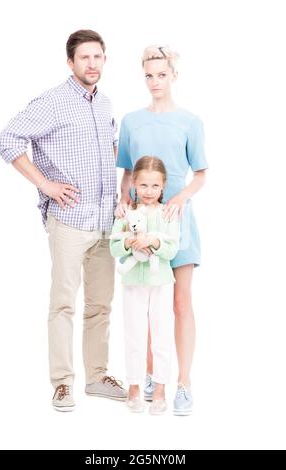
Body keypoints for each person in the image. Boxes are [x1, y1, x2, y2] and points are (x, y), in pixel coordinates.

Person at [0, 29, 127, 412]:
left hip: (106, 221)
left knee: (101, 305)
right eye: (84, 57)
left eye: (97, 57)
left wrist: (123, 192)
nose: (91, 64)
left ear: (104, 60)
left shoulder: (105, 104)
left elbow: (113, 145)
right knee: (63, 304)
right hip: (70, 220)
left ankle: (97, 377)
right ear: (70, 62)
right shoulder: (52, 102)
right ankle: (62, 383)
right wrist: (45, 184)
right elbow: (8, 139)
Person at [115, 45, 208, 416]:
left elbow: (200, 174)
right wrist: (124, 206)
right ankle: (152, 376)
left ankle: (183, 382)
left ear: (173, 76)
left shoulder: (190, 122)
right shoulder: (131, 121)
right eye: (149, 75)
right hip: (139, 224)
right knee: (146, 300)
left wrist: (180, 198)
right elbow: (126, 174)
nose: (155, 82)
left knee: (179, 303)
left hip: (177, 223)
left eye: (161, 75)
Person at [110, 156, 180, 415]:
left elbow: (172, 249)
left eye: (154, 186)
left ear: (163, 187)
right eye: (143, 186)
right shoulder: (125, 214)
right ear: (133, 186)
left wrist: (154, 242)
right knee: (134, 336)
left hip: (161, 283)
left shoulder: (168, 213)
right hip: (132, 284)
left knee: (161, 337)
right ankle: (134, 388)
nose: (148, 192)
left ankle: (160, 390)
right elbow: (114, 246)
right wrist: (129, 243)